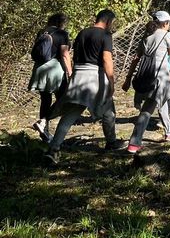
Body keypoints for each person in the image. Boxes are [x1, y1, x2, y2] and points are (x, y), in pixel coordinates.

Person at [45, 10, 121, 164]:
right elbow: (107, 59)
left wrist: (73, 74)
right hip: (95, 76)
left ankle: (54, 148)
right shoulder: (105, 35)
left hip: (79, 75)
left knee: (70, 114)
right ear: (108, 21)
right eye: (112, 22)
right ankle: (111, 142)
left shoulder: (82, 33)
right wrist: (111, 82)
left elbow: (74, 55)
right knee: (108, 111)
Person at [122, 11, 170, 154]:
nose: (169, 25)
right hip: (159, 78)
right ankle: (134, 143)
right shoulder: (166, 35)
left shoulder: (146, 37)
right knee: (147, 110)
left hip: (146, 76)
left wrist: (128, 79)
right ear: (165, 23)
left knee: (161, 102)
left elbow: (135, 58)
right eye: (168, 23)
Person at [28, 13, 72, 142]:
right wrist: (70, 72)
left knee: (45, 100)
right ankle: (46, 124)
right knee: (63, 99)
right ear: (61, 23)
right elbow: (64, 54)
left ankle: (45, 133)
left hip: (40, 69)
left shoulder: (42, 32)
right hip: (54, 69)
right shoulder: (62, 34)